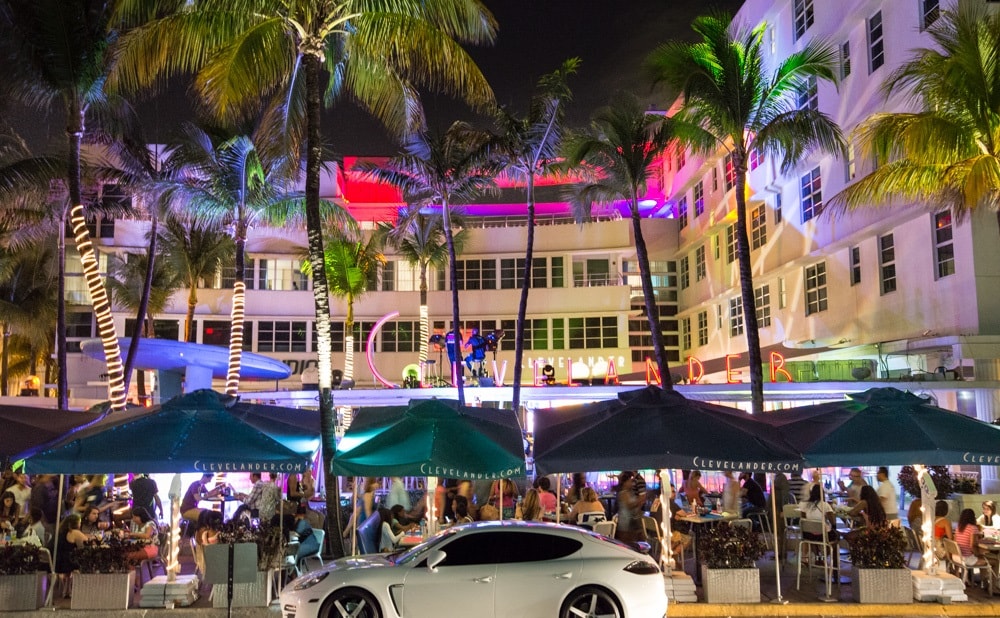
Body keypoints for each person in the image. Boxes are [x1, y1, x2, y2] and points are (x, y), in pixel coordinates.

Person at [55, 514, 89, 598]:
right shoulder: (74, 532)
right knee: (87, 560)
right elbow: (86, 540)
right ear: (76, 523)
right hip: (67, 562)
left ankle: (67, 589)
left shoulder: (61, 532)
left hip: (58, 561)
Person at [614, 471, 647, 548]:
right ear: (625, 482)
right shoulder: (623, 493)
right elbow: (629, 505)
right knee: (627, 544)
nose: (632, 484)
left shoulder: (630, 492)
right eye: (630, 481)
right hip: (625, 523)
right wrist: (640, 499)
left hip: (632, 521)